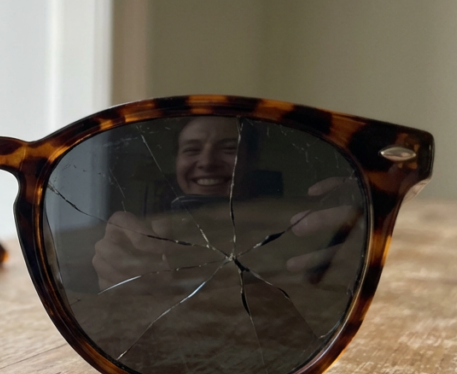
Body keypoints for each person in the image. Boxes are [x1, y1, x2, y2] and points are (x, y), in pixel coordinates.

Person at [92, 116, 362, 292]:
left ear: (252, 160)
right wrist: (114, 272)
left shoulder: (302, 224)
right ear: (176, 164)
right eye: (191, 149)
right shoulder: (146, 230)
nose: (207, 162)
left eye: (228, 148)